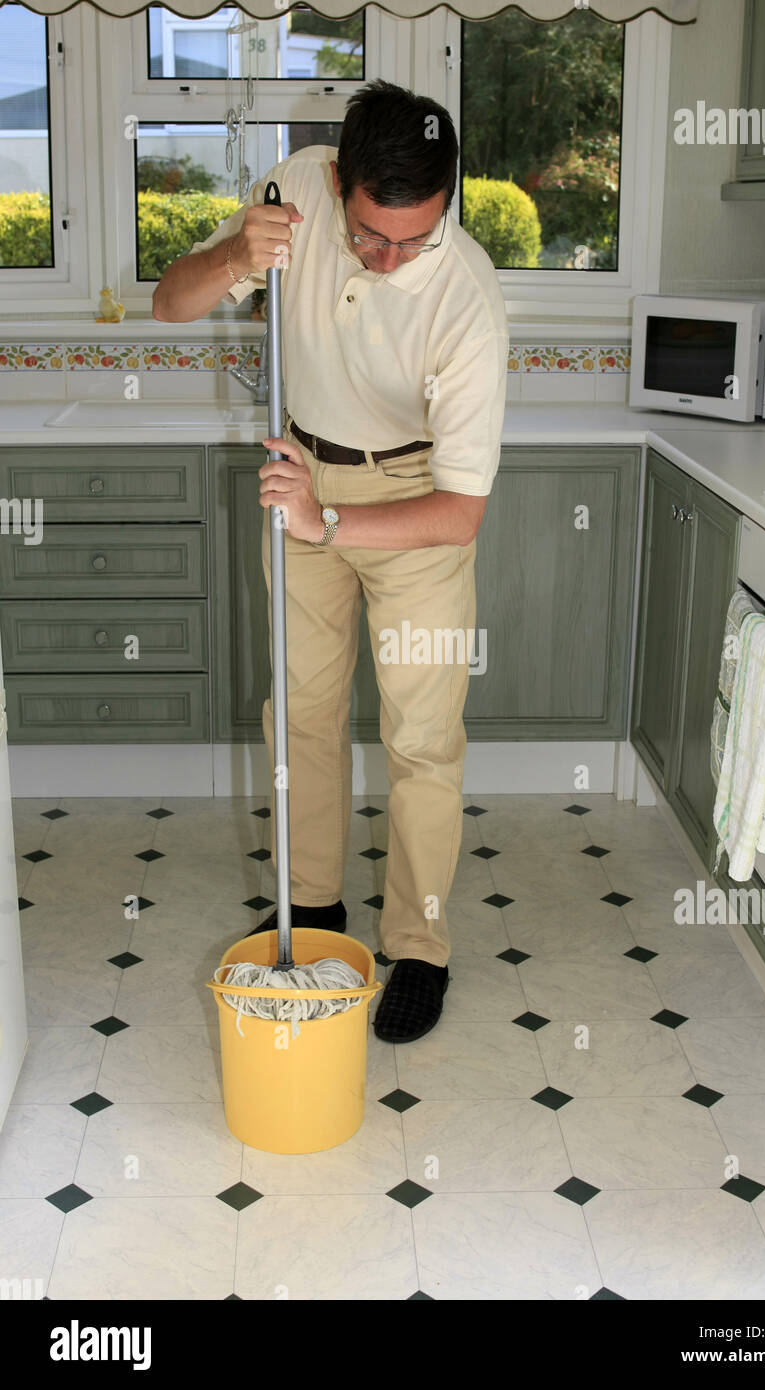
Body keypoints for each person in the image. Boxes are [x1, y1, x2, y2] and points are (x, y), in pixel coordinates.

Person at [152, 79, 509, 1042]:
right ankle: (313, 907)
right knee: (301, 712)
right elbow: (171, 304)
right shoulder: (296, 188)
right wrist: (237, 252)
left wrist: (329, 525)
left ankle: (421, 947)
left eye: (414, 239)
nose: (389, 260)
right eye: (369, 233)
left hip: (414, 506)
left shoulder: (466, 299)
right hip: (302, 467)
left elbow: (463, 512)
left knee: (421, 738)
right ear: (340, 181)